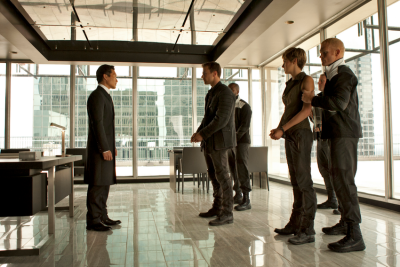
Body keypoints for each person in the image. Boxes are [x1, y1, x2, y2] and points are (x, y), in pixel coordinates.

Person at [302, 38, 365, 252]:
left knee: (345, 182)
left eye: (324, 53)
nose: (321, 56)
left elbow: (339, 103)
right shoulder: (333, 75)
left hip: (344, 135)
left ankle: (355, 235)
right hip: (336, 134)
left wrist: (313, 98)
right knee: (338, 179)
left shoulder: (344, 74)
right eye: (320, 53)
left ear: (338, 52)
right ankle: (345, 224)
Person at [270, 47, 317, 245]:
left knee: (304, 181)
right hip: (291, 135)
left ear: (295, 60)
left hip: (301, 134)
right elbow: (290, 110)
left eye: (285, 61)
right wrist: (280, 128)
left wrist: (284, 128)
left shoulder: (306, 80)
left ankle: (307, 229)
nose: (283, 65)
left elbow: (306, 111)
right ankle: (296, 223)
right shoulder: (290, 83)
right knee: (296, 181)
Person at [192, 61, 236, 226]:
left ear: (215, 73)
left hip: (220, 143)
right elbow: (207, 118)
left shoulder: (225, 93)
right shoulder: (211, 93)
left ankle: (227, 213)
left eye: (204, 73)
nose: (202, 76)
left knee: (223, 176)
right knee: (214, 175)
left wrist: (202, 134)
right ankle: (217, 208)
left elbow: (221, 120)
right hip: (210, 142)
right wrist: (198, 132)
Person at [85, 64, 121, 231]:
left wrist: (110, 147)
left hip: (105, 148)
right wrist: (104, 148)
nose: (116, 79)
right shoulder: (97, 96)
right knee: (97, 184)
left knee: (104, 183)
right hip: (98, 151)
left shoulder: (104, 95)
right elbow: (98, 124)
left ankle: (102, 216)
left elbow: (107, 127)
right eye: (114, 75)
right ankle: (93, 220)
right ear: (105, 76)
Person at [227, 83, 252, 211]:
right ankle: (238, 194)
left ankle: (246, 199)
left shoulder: (244, 106)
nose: (230, 93)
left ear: (237, 92)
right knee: (232, 167)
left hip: (242, 142)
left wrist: (234, 138)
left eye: (232, 90)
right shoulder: (228, 107)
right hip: (231, 143)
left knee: (242, 166)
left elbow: (245, 126)